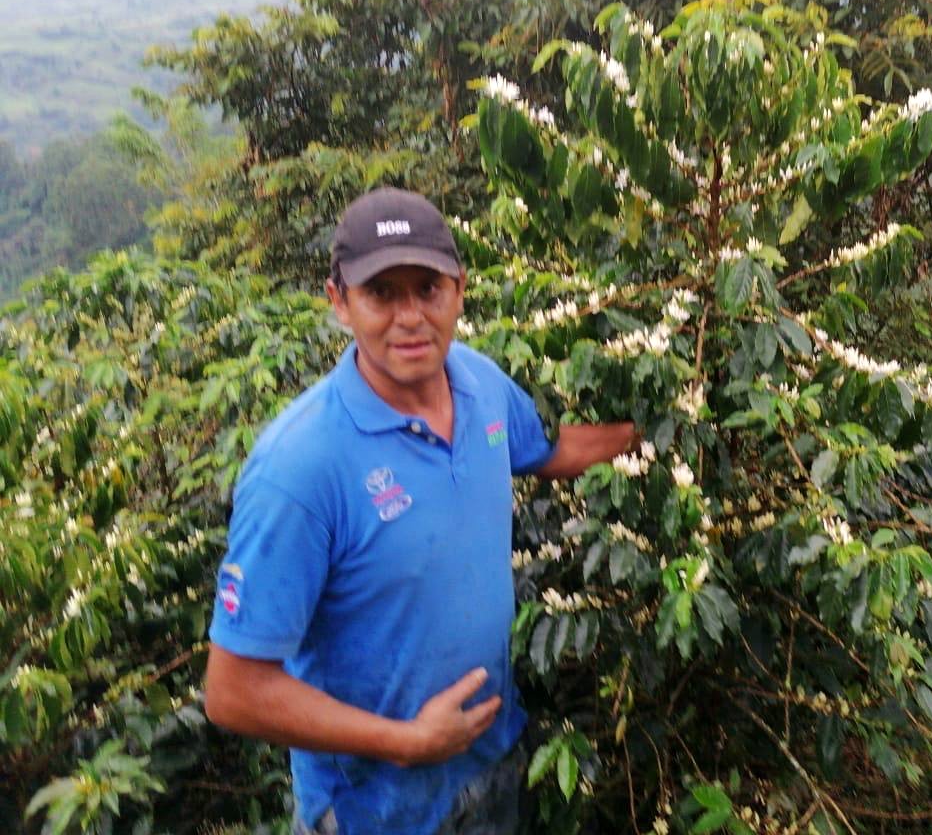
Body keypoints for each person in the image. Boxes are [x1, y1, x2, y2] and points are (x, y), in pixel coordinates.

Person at [204, 187, 635, 835]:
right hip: (375, 809)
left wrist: (663, 429)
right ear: (339, 304)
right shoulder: (300, 468)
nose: (410, 317)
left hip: (493, 765)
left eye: (427, 289)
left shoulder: (482, 384)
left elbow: (552, 450)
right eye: (381, 293)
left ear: (460, 290)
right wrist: (405, 740)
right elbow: (234, 690)